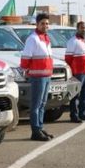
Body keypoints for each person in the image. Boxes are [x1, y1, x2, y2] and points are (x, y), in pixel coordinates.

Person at [20, 13, 55, 141]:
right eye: (42, 23)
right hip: (37, 76)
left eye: (47, 23)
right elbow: (25, 58)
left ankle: (40, 127)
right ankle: (35, 131)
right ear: (37, 24)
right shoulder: (33, 39)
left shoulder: (46, 38)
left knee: (43, 103)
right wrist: (27, 71)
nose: (45, 26)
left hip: (46, 76)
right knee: (36, 104)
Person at [65, 21, 85, 123]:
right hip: (78, 72)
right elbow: (68, 58)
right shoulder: (73, 41)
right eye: (82, 28)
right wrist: (72, 72)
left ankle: (83, 113)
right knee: (75, 94)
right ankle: (74, 115)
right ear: (77, 28)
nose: (84, 29)